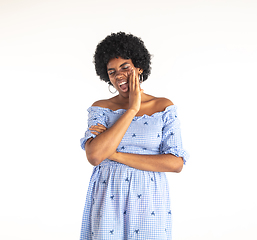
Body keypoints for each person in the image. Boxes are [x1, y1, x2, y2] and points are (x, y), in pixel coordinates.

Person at [79, 32, 189, 239]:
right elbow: (94, 156)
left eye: (125, 68)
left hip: (149, 200)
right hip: (108, 194)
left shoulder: (163, 107)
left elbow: (175, 163)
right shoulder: (101, 109)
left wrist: (113, 154)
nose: (118, 75)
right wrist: (131, 109)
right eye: (111, 71)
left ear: (139, 67)